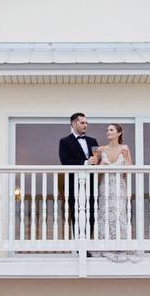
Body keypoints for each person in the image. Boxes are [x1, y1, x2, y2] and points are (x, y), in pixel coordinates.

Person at [93, 124, 142, 263]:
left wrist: (126, 159)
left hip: (119, 186)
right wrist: (99, 166)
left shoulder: (125, 148)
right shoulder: (101, 149)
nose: (108, 132)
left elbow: (130, 170)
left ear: (119, 133)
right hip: (105, 185)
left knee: (119, 213)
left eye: (111, 130)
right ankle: (104, 245)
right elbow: (95, 172)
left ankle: (121, 245)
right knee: (105, 214)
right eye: (107, 129)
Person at [58, 113, 99, 236]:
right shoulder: (64, 141)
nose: (85, 125)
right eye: (82, 123)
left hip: (91, 183)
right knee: (75, 214)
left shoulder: (93, 140)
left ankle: (87, 242)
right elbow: (65, 161)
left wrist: (97, 160)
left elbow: (97, 160)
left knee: (92, 214)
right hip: (74, 184)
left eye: (86, 123)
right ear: (74, 124)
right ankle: (79, 247)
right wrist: (86, 162)